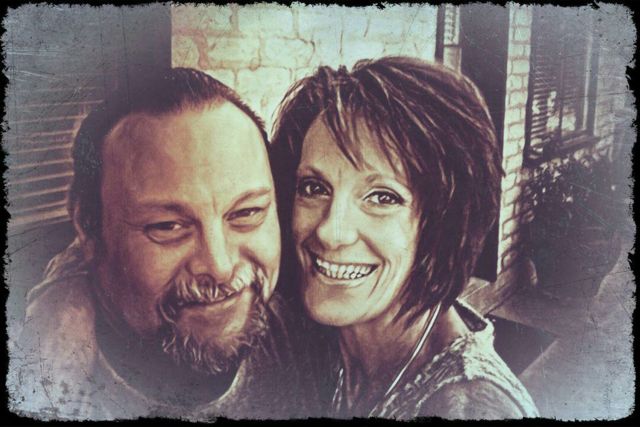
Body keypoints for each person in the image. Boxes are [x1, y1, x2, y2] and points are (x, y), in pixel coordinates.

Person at [9, 68, 325, 420]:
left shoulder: (316, 334)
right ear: (88, 225)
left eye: (247, 212)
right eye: (168, 226)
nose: (220, 267)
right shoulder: (40, 383)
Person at [270, 56, 540, 419]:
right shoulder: (317, 338)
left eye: (382, 197)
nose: (331, 232)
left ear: (442, 225)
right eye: (314, 187)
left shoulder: (467, 409)